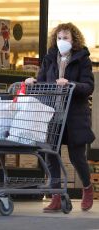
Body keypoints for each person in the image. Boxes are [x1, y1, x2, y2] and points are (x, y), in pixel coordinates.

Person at [25, 22, 95, 212]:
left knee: (77, 157)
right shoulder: (49, 58)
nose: (62, 41)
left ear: (74, 40)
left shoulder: (82, 59)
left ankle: (87, 188)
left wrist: (70, 83)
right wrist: (33, 82)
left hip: (74, 116)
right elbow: (42, 81)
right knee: (51, 155)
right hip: (52, 114)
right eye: (59, 38)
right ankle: (56, 196)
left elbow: (88, 86)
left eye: (66, 38)